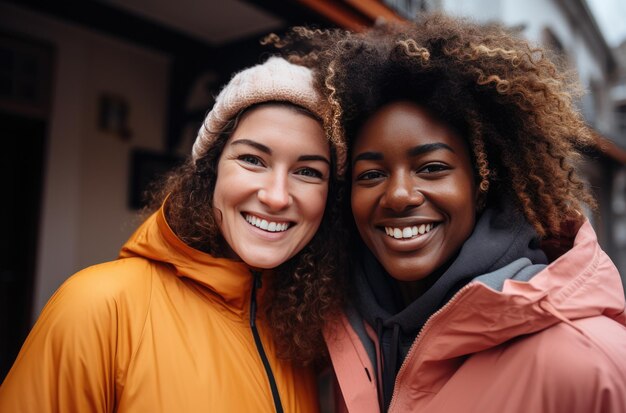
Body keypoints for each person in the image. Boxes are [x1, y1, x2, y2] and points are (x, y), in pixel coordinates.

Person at [273, 13, 626, 413]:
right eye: (371, 173)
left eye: (432, 168)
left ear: (483, 183)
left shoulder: (589, 362)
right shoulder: (337, 342)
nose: (400, 195)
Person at [0, 56, 347, 412]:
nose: (276, 196)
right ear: (210, 171)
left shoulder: (304, 333)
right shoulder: (98, 307)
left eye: (307, 172)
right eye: (253, 160)